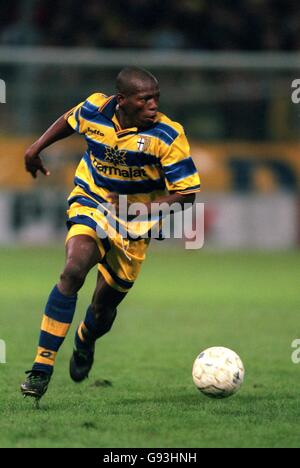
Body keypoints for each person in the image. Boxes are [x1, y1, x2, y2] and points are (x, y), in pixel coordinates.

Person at [20, 67, 201, 402]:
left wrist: (141, 212)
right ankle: (41, 368)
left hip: (135, 224)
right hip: (94, 200)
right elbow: (68, 120)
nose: (153, 106)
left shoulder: (168, 136)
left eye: (156, 98)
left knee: (103, 310)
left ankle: (85, 339)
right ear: (122, 101)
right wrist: (35, 147)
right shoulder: (95, 109)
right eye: (145, 99)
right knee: (73, 270)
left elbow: (186, 194)